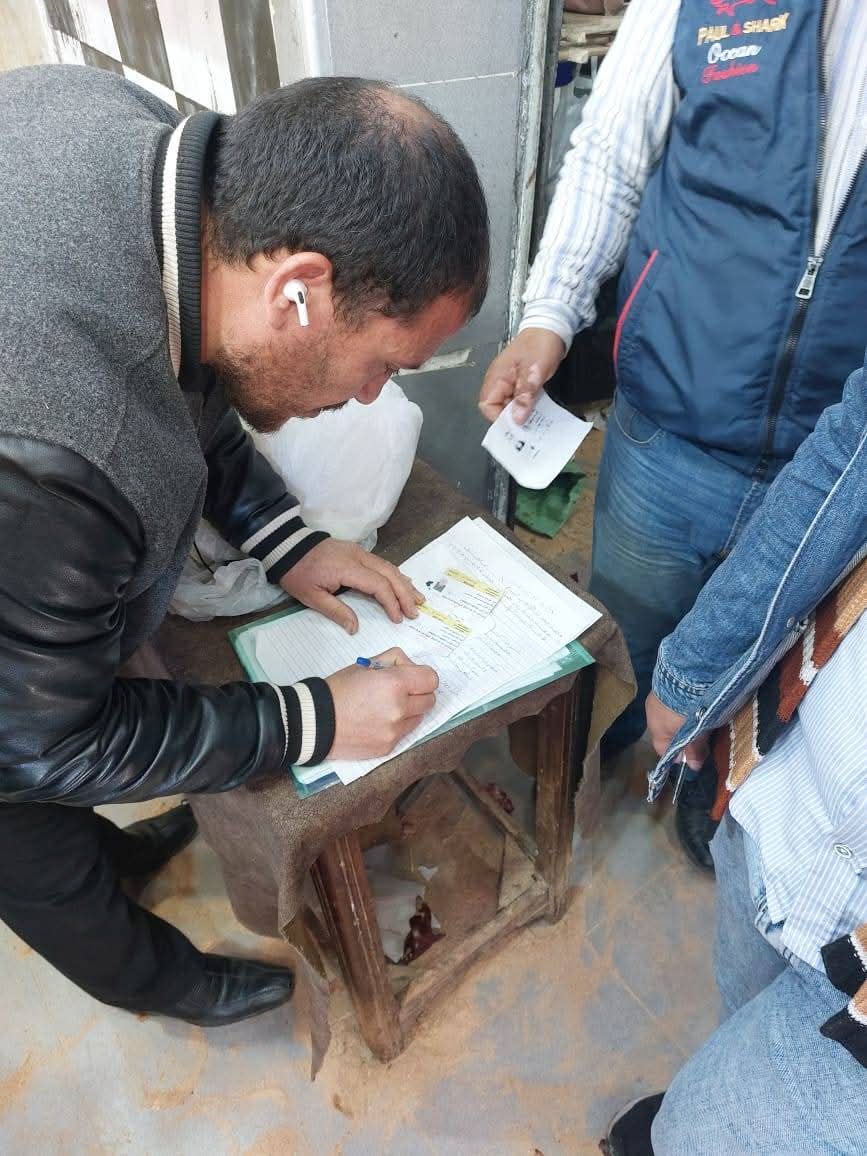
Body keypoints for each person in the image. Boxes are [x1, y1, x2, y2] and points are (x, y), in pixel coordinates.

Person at [0, 66, 488, 1027]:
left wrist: (287, 540)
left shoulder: (137, 143)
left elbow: (190, 366)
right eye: (382, 365)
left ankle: (116, 854)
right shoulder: (66, 455)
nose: (370, 398)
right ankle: (160, 984)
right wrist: (313, 719)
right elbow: (37, 745)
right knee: (30, 846)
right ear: (299, 290)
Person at [479, 0, 867, 871]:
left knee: (771, 654)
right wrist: (548, 316)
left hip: (836, 459)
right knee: (630, 622)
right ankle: (614, 724)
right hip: (670, 422)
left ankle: (706, 775)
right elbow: (609, 156)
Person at [601, 356, 867, 1155]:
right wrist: (697, 671)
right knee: (738, 1002)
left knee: (691, 1132)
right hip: (784, 777)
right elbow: (850, 446)